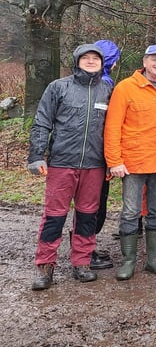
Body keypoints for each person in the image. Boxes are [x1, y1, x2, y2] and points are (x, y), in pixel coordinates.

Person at [28, 44, 112, 290]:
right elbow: (42, 122)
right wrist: (36, 155)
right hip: (61, 163)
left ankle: (82, 263)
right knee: (54, 216)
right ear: (77, 61)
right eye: (85, 57)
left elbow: (114, 128)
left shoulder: (108, 90)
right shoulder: (58, 87)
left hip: (94, 165)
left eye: (95, 58)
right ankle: (45, 266)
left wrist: (111, 161)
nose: (90, 61)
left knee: (87, 216)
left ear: (102, 63)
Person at [104, 44, 156, 281]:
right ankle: (128, 262)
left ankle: (154, 259)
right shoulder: (126, 88)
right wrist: (114, 160)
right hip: (133, 162)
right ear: (145, 61)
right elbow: (112, 126)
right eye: (155, 59)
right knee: (130, 212)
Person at [91, 39, 121, 270]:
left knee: (90, 203)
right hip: (98, 156)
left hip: (92, 153)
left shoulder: (96, 83)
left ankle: (85, 246)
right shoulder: (106, 85)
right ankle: (85, 249)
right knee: (94, 204)